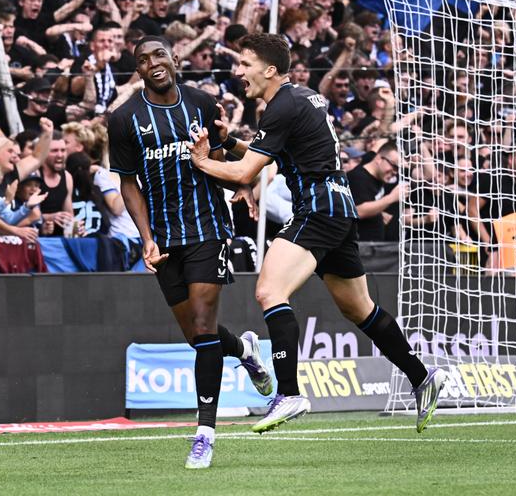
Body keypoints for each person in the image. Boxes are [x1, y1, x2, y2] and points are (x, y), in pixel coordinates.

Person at [187, 33, 446, 435]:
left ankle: (288, 393)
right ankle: (422, 378)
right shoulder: (301, 98)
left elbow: (243, 172)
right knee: (359, 309)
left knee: (270, 292)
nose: (238, 71)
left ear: (269, 70)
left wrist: (202, 160)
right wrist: (227, 141)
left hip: (318, 207)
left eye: (245, 64)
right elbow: (266, 153)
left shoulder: (281, 107)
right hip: (338, 207)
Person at [107, 35, 269, 469]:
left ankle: (204, 435)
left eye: (158, 54)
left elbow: (219, 151)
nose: (152, 63)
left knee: (202, 322)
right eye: (142, 60)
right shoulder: (124, 119)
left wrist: (242, 184)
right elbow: (127, 182)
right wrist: (146, 237)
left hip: (207, 228)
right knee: (201, 337)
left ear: (174, 58)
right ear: (137, 71)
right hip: (164, 237)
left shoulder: (201, 101)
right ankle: (245, 351)